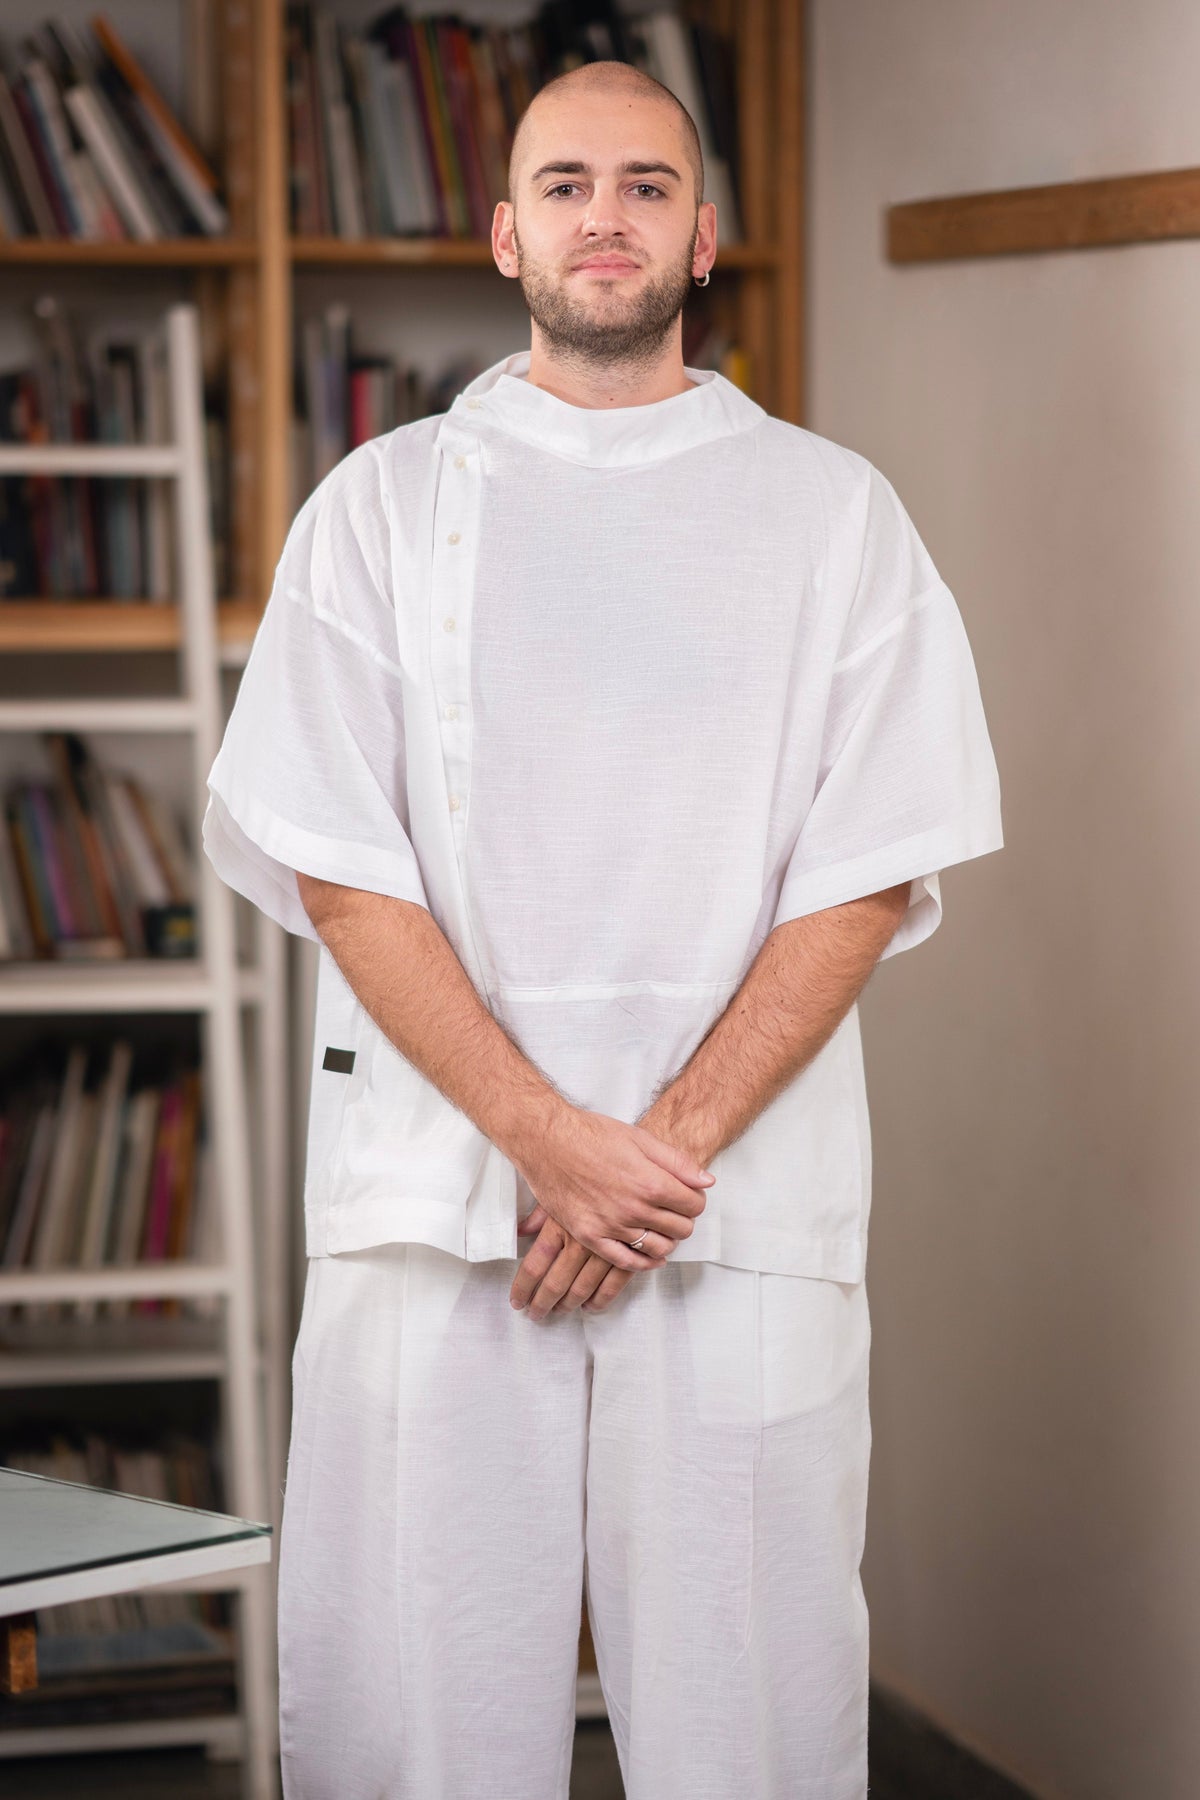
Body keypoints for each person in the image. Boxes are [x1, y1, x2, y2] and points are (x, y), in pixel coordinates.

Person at [203, 57, 1003, 1800]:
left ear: (705, 236)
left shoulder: (835, 517)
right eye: (565, 185)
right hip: (440, 1213)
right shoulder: (379, 508)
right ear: (506, 234)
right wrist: (548, 1142)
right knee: (416, 1724)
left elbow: (868, 870)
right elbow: (342, 870)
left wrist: (654, 1159)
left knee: (754, 1729)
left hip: (734, 1213)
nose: (606, 217)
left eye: (648, 185)